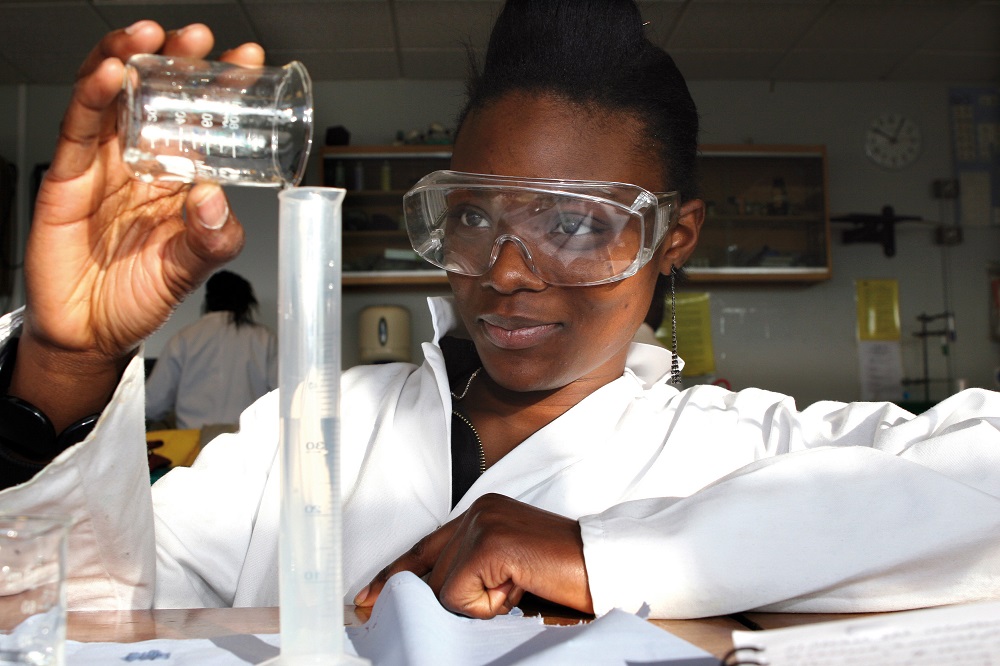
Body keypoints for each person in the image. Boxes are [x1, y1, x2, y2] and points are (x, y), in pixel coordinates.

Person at [0, 0, 998, 620]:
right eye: (473, 215)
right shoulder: (310, 429)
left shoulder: (741, 448)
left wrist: (602, 555)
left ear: (674, 237)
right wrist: (65, 360)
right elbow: (64, 614)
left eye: (575, 223)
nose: (508, 270)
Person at [145, 270, 277, 430]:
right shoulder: (265, 339)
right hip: (250, 439)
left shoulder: (184, 338)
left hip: (195, 440)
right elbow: (284, 397)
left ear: (208, 300)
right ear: (246, 301)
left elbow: (154, 404)